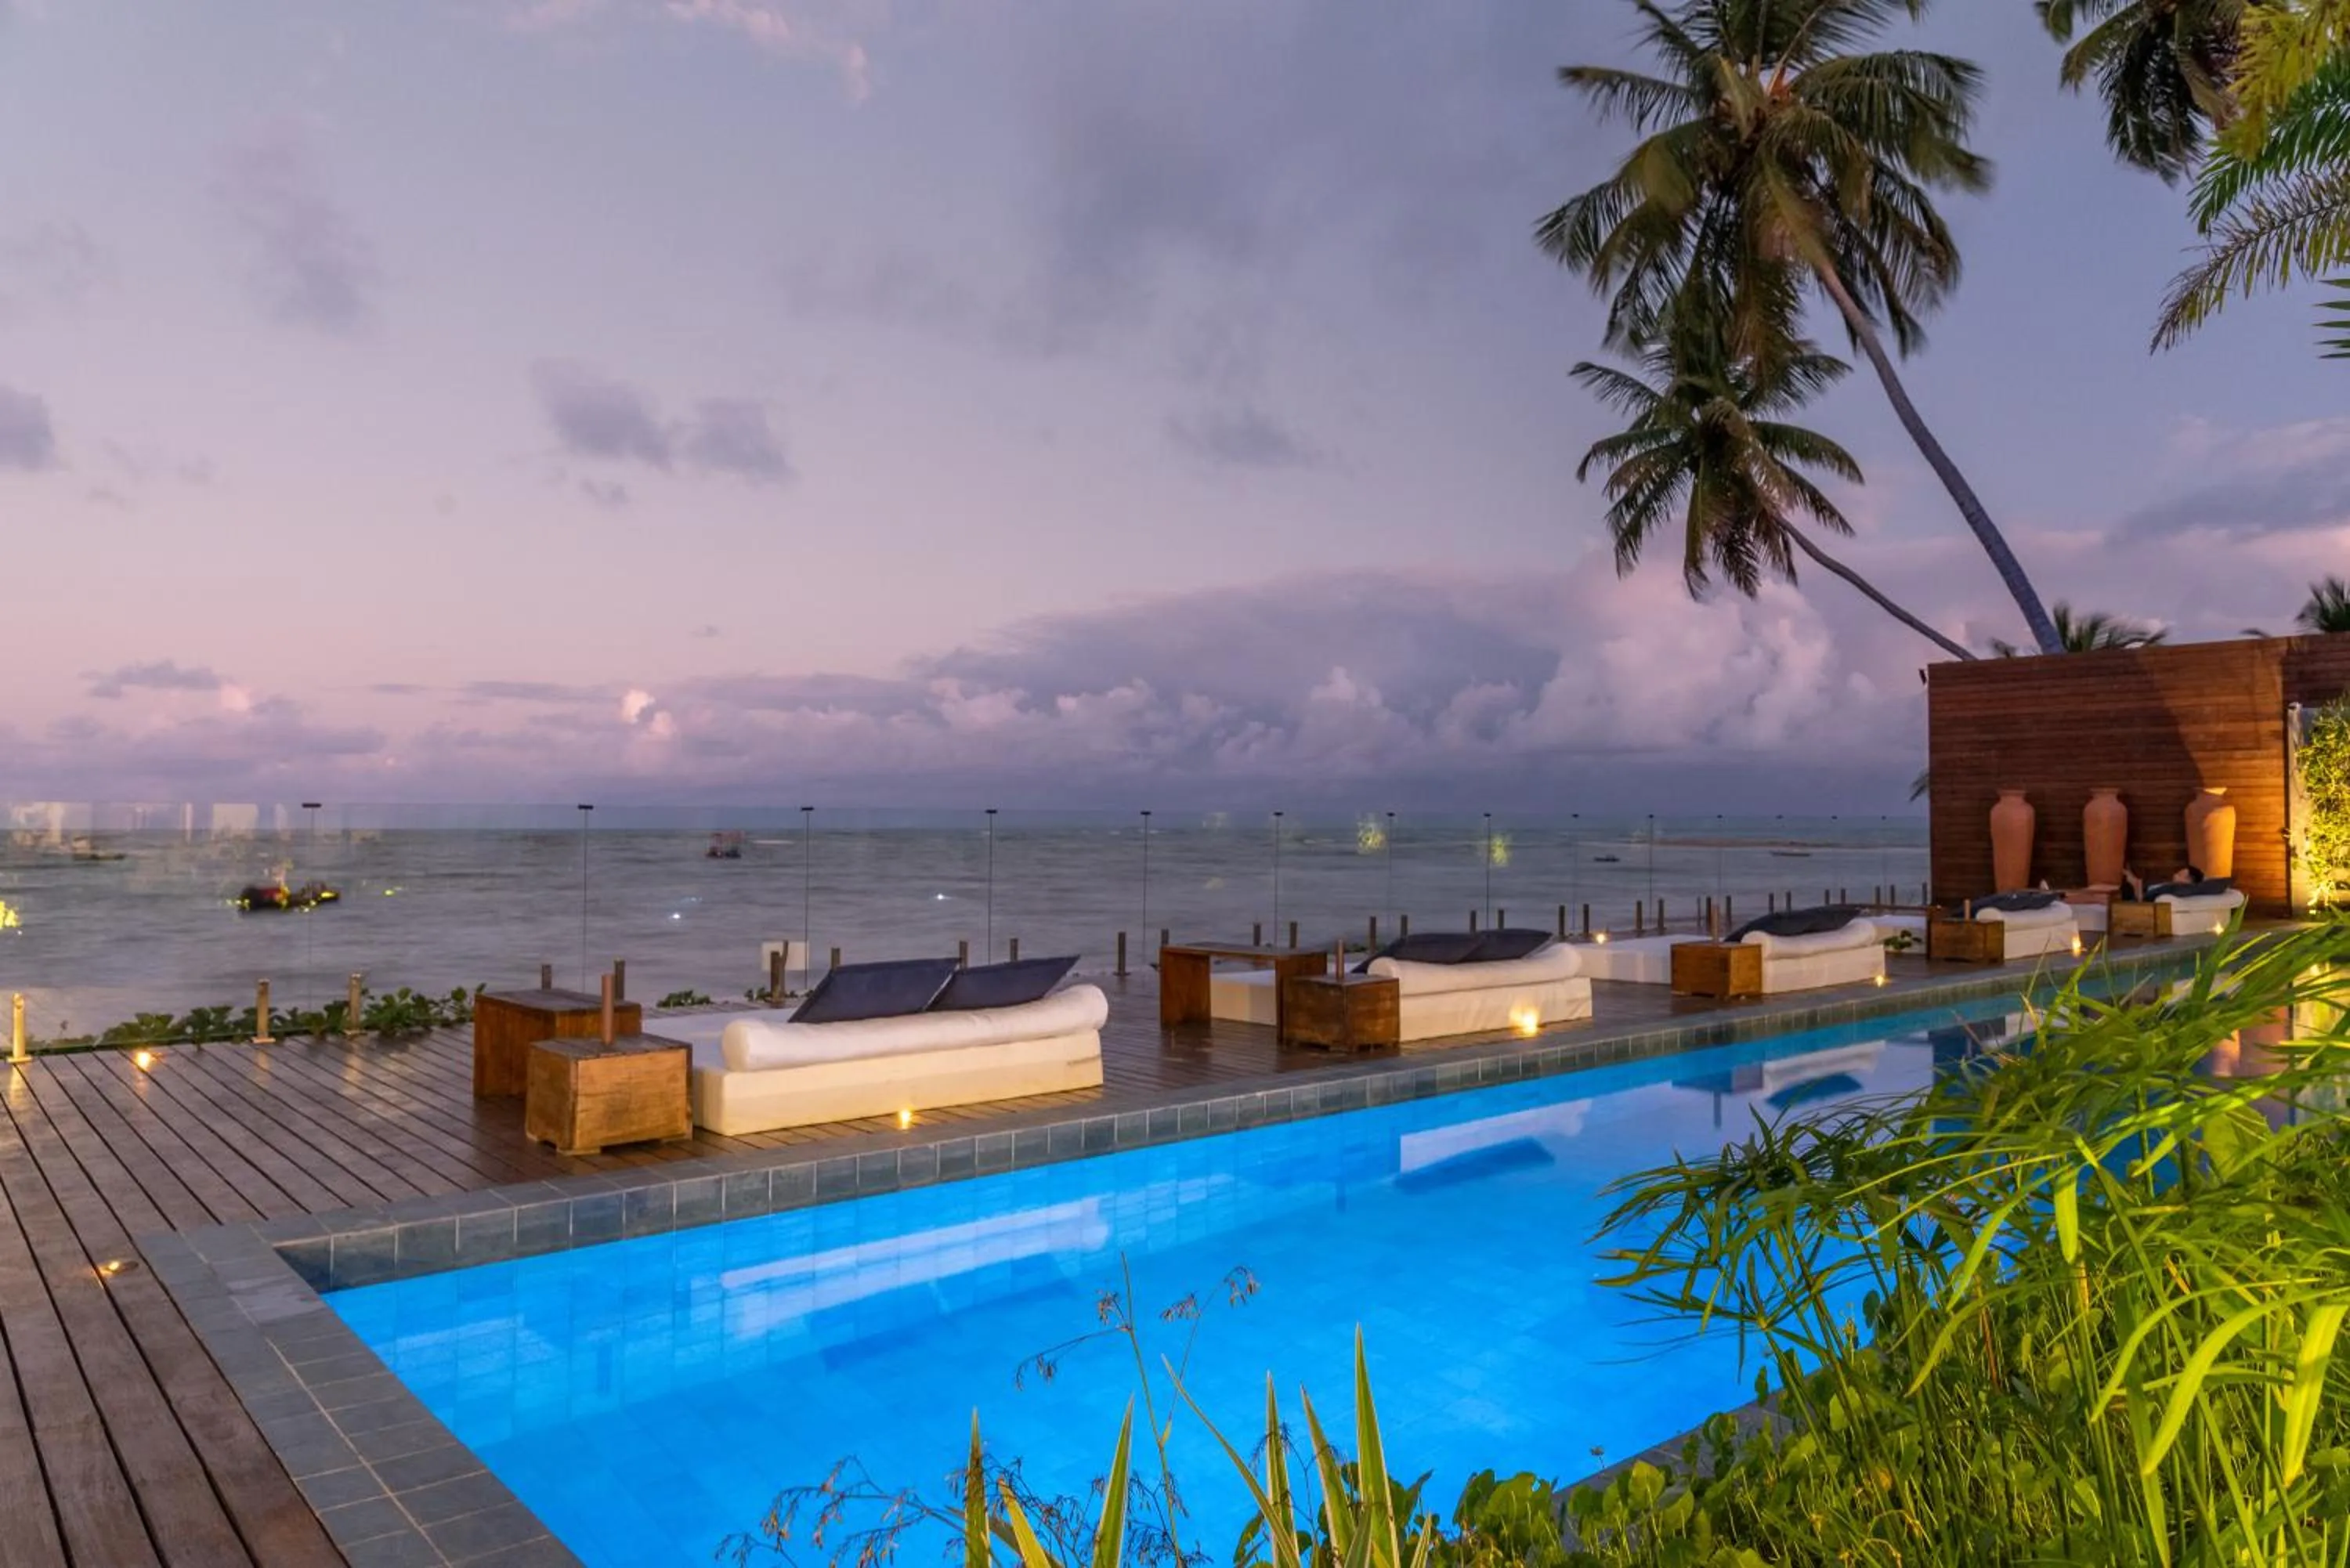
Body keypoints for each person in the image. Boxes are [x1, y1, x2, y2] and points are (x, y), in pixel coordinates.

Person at [2120, 865, 2203, 901]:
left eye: (2179, 874)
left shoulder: (2173, 890)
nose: (2175, 875)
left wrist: (2135, 885)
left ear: (2188, 881)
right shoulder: (2169, 886)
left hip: (2134, 900)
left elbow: (2143, 901)